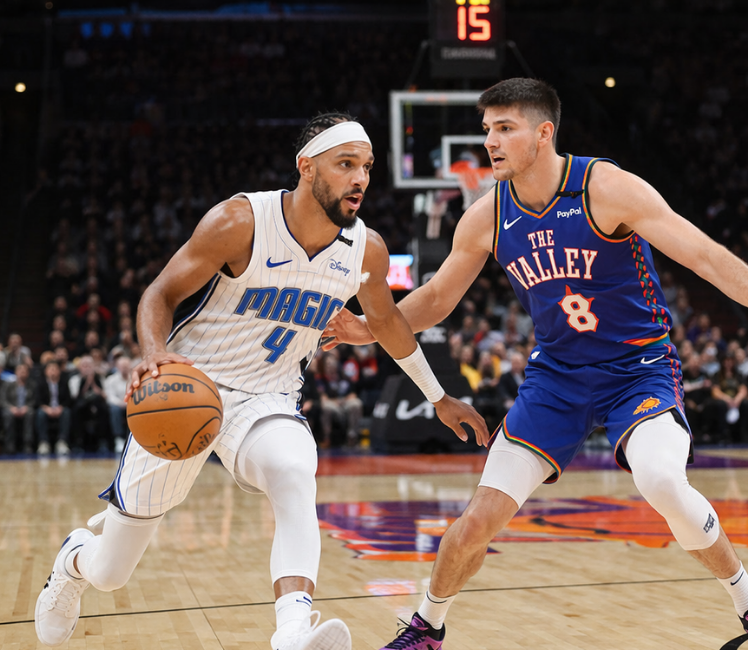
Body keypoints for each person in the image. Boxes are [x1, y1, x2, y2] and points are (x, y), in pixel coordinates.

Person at [323, 79, 748, 650]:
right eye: (487, 129)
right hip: (556, 380)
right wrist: (368, 330)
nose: (489, 142)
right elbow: (439, 296)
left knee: (664, 481)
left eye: (504, 128)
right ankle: (426, 629)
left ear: (543, 133)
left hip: (637, 369)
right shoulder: (485, 216)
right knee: (474, 523)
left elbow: (702, 253)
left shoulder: (605, 188)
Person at [34, 114, 487, 650]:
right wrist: (155, 355)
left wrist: (438, 396)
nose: (360, 178)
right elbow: (159, 293)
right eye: (346, 165)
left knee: (296, 469)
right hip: (188, 391)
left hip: (267, 397)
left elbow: (387, 322)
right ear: (307, 166)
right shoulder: (241, 220)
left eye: (366, 167)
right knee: (112, 572)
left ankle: (294, 632)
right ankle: (73, 562)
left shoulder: (366, 250)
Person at [35, 360, 72, 456]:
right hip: (46, 409)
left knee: (66, 412)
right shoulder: (41, 383)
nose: (53, 371)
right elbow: (38, 401)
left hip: (59, 408)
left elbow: (68, 400)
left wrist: (60, 407)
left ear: (59, 371)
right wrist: (47, 408)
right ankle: (44, 442)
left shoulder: (63, 383)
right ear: (46, 372)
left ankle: (62, 442)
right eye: (50, 369)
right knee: (40, 413)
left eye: (55, 369)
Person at [103, 357, 132, 453]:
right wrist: (121, 403)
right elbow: (110, 397)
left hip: (132, 405)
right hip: (118, 405)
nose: (124, 368)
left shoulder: (134, 378)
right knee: (114, 409)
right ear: (117, 367)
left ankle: (134, 438)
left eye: (126, 366)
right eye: (122, 366)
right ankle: (118, 438)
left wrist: (128, 403)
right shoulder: (111, 380)